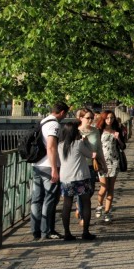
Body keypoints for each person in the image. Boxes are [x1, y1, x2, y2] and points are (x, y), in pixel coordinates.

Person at [30, 102, 69, 241]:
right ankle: (47, 230)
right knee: (50, 199)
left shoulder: (43, 121)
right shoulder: (54, 125)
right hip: (48, 165)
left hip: (37, 165)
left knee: (37, 199)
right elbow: (51, 147)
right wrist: (54, 169)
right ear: (62, 112)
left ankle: (36, 230)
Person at [56, 120, 98, 241]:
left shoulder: (60, 145)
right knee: (86, 203)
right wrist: (86, 142)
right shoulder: (78, 144)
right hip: (80, 177)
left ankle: (67, 233)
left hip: (65, 178)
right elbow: (92, 155)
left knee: (67, 205)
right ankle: (85, 231)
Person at [95, 112, 123, 223]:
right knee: (103, 187)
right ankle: (99, 205)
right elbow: (95, 145)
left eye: (111, 118)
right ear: (103, 119)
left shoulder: (117, 130)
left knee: (111, 188)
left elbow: (123, 146)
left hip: (114, 161)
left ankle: (107, 212)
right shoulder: (99, 130)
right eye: (107, 118)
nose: (109, 120)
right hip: (102, 161)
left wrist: (118, 139)